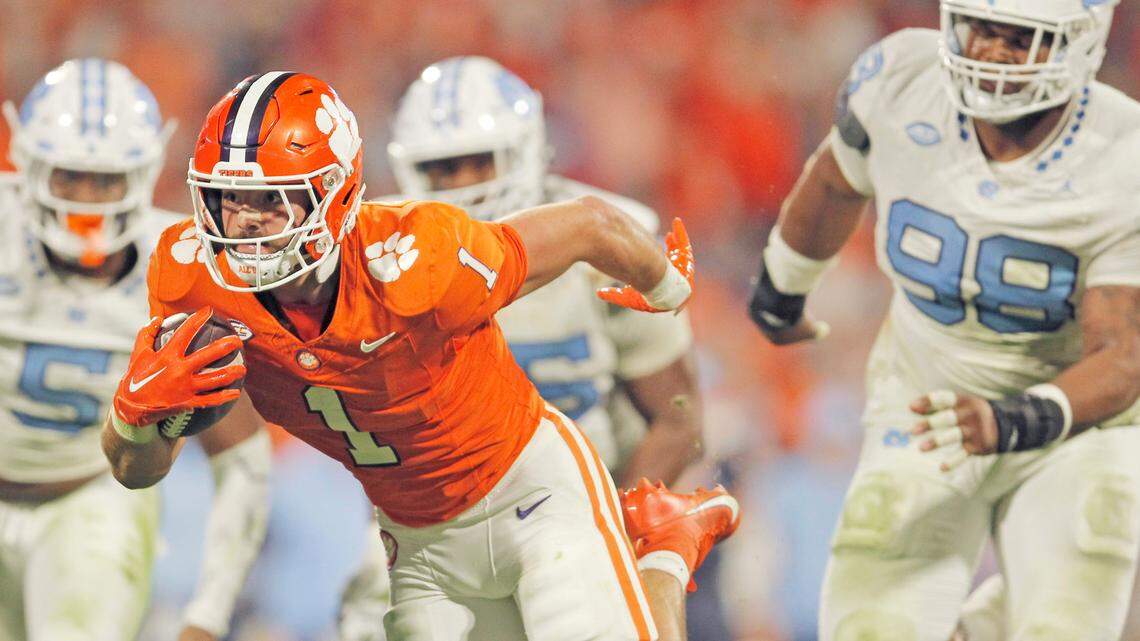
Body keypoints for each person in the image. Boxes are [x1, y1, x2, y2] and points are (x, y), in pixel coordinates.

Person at [102, 71, 738, 641]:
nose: (241, 221)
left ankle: (661, 551)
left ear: (335, 192)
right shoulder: (190, 281)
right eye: (226, 197)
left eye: (271, 199)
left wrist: (668, 286)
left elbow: (589, 224)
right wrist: (133, 415)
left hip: (533, 491)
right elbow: (138, 469)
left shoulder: (417, 257)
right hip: (417, 539)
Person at [747, 1, 1140, 639]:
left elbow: (1122, 356)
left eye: (1020, 38)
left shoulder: (1123, 154)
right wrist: (782, 286)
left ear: (1083, 40)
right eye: (981, 27)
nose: (989, 51)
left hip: (1070, 425)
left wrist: (1016, 418)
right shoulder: (901, 79)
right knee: (870, 626)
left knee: (1064, 623)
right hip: (927, 398)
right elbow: (834, 183)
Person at [337, 56, 706, 641]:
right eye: (443, 168)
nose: (466, 185)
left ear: (529, 148)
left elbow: (677, 417)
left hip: (577, 502)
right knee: (366, 612)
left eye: (480, 160)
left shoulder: (608, 236)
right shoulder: (381, 259)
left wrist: (619, 516)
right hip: (441, 514)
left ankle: (661, 557)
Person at [0, 59, 270, 641]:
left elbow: (242, 457)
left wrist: (207, 613)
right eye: (70, 176)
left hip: (91, 500)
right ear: (28, 164)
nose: (88, 201)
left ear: (146, 173)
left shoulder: (184, 266)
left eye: (107, 180)